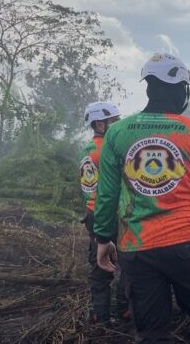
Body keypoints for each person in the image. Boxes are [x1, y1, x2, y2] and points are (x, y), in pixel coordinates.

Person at [94, 53, 190, 343]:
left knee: (152, 334)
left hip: (137, 248)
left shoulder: (116, 133)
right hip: (187, 245)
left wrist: (103, 238)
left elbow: (107, 194)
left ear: (148, 88)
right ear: (183, 90)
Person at [79, 101, 127, 323]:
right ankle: (125, 308)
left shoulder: (87, 149)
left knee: (99, 264)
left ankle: (102, 316)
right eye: (114, 121)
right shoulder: (106, 149)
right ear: (100, 124)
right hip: (110, 212)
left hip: (91, 213)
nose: (117, 125)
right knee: (127, 258)